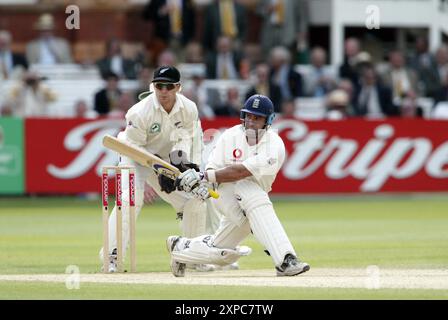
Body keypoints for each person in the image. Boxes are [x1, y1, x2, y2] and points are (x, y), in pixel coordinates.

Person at [166, 94, 310, 277]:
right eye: (248, 116)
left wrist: (203, 176)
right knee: (249, 192)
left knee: (222, 252)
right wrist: (203, 182)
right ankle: (285, 260)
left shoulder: (274, 145)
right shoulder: (230, 135)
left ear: (269, 120)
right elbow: (213, 166)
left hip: (250, 200)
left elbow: (241, 172)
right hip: (225, 195)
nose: (250, 121)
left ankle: (180, 249)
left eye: (257, 118)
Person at [99, 65, 216, 272]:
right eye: (159, 86)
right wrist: (153, 175)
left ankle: (191, 256)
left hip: (164, 159)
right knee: (130, 198)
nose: (163, 91)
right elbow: (134, 148)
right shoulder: (140, 111)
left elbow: (185, 139)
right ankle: (112, 256)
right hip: (133, 155)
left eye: (168, 86)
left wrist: (180, 166)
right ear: (153, 86)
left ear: (177, 87)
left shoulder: (189, 108)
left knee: (195, 199)